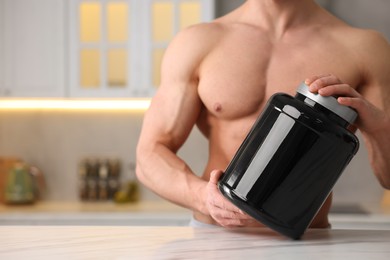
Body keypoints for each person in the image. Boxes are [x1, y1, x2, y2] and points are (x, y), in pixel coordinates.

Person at [136, 0, 390, 228]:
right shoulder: (198, 42)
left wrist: (379, 128)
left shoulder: (365, 48)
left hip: (305, 244)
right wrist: (203, 197)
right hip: (214, 237)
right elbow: (149, 155)